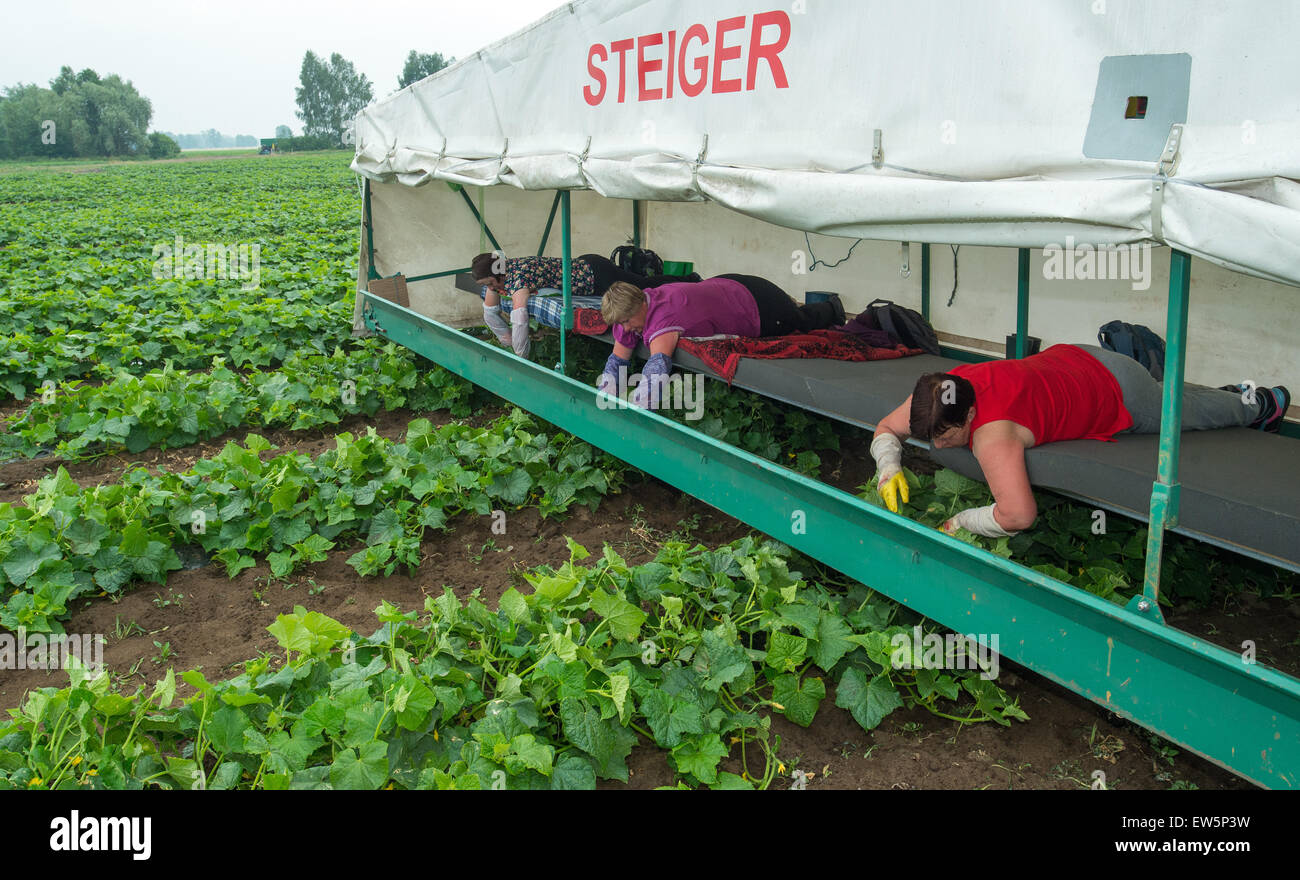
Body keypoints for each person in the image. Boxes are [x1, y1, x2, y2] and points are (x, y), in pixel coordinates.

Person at [869, 343, 1291, 537]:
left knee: (1180, 416)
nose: (938, 447)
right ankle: (1232, 393)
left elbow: (1018, 516)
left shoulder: (993, 435)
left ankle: (1261, 404)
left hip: (1118, 389)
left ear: (973, 416)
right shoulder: (939, 394)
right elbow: (886, 428)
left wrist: (959, 522)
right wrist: (889, 467)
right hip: (1075, 357)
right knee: (1173, 397)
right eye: (930, 439)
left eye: (947, 437)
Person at [597, 274, 844, 407]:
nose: (626, 327)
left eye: (628, 320)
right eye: (621, 323)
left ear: (641, 304)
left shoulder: (664, 318)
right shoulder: (633, 312)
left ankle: (833, 308)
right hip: (728, 286)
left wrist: (631, 411)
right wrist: (605, 397)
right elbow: (617, 361)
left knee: (800, 321)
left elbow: (656, 373)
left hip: (758, 302)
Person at [471, 252, 695, 357]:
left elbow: (520, 321)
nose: (489, 288)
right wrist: (505, 340)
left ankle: (691, 281)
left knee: (644, 285)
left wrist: (520, 355)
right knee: (641, 282)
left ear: (498, 274)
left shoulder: (519, 280)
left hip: (596, 275)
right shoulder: (500, 272)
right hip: (587, 264)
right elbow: (490, 312)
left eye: (489, 283)